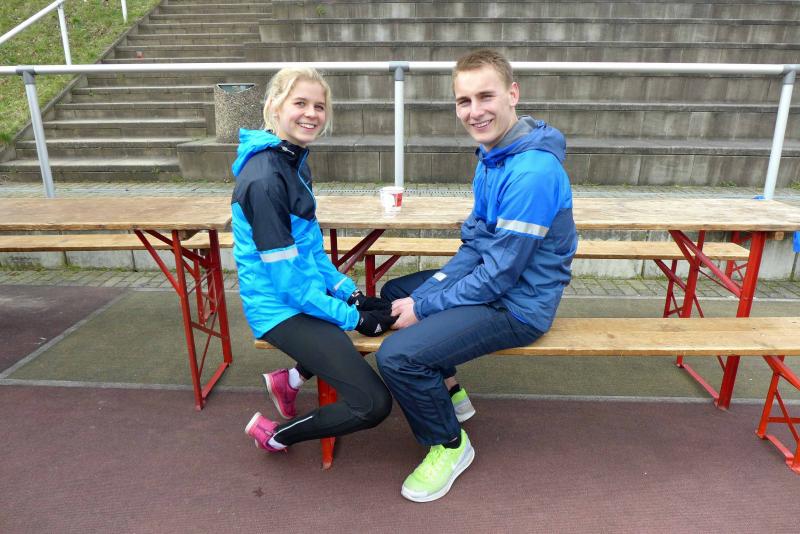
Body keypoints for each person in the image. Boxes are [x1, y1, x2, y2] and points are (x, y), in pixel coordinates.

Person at [376, 49, 578, 502]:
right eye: (463, 101)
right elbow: (476, 244)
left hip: (518, 307)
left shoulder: (531, 172)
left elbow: (500, 274)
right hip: (498, 284)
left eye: (485, 96)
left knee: (397, 357)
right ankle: (450, 392)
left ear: (513, 94)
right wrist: (430, 292)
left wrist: (425, 305)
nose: (474, 111)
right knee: (396, 290)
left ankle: (450, 445)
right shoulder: (493, 155)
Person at [231, 67, 398, 454]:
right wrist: (354, 318)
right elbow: (289, 287)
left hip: (299, 294)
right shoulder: (265, 179)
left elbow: (311, 253)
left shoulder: (293, 160)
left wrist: (351, 295)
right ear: (275, 106)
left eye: (319, 106)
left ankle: (288, 381)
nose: (311, 114)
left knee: (372, 312)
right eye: (300, 103)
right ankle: (275, 435)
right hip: (278, 310)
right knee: (372, 404)